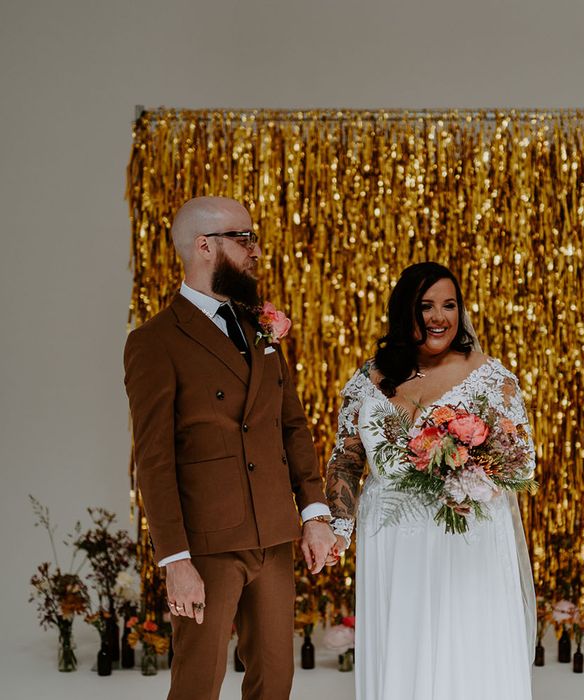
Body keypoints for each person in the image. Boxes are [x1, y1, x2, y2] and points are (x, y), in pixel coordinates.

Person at [124, 196, 337, 700]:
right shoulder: (154, 341)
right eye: (243, 238)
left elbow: (292, 426)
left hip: (274, 531)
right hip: (206, 544)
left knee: (275, 679)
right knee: (198, 681)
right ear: (204, 246)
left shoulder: (257, 327)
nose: (255, 251)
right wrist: (175, 560)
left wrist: (314, 512)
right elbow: (153, 460)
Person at [325, 261, 537, 700]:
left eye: (449, 305)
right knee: (400, 648)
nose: (439, 316)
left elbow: (522, 462)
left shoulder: (490, 376)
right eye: (425, 306)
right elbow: (346, 460)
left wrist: (467, 469)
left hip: (463, 537)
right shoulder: (370, 377)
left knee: (463, 649)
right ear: (405, 311)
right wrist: (339, 530)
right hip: (390, 538)